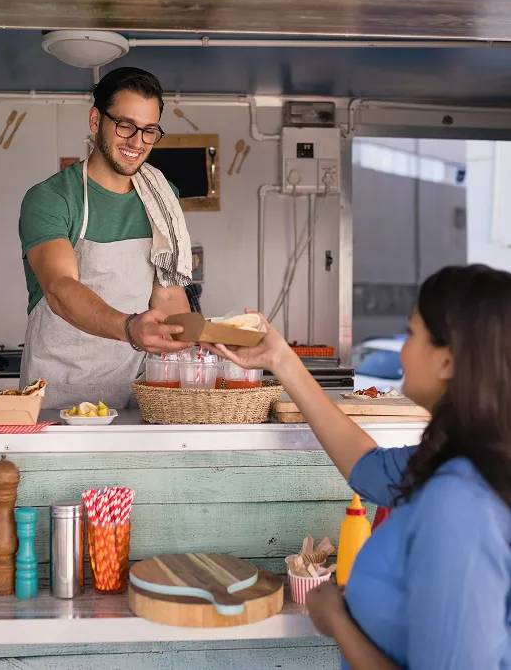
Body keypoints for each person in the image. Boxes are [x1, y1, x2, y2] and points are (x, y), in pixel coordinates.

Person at [212, 264, 511, 670]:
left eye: (413, 333)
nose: (402, 349)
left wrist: (338, 620)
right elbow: (370, 470)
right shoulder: (461, 458)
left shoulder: (460, 504)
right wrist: (280, 359)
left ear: (447, 361)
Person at [18, 67, 193, 409]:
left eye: (149, 130)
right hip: (56, 397)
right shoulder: (53, 198)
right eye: (125, 125)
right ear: (96, 120)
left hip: (133, 398)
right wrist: (130, 329)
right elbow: (60, 290)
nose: (137, 141)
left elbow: (168, 297)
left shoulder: (163, 199)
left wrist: (202, 347)